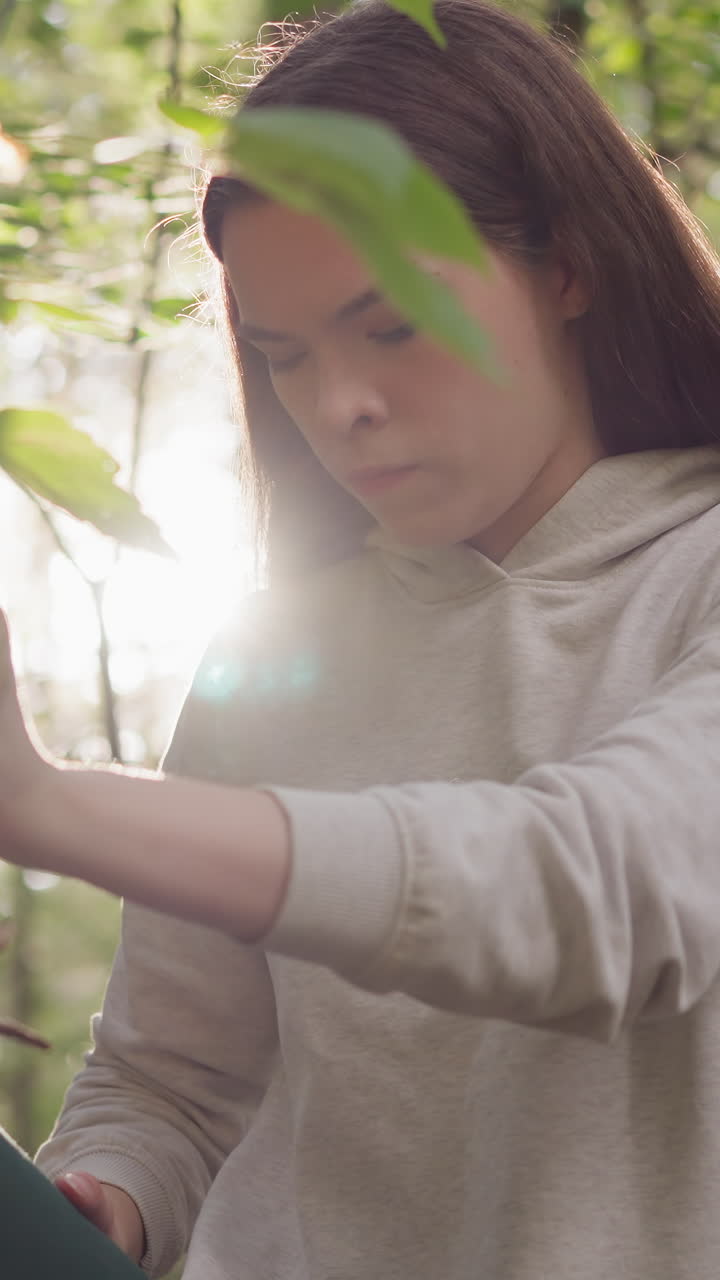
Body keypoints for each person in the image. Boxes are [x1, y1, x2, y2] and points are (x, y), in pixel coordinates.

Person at [2, 0, 720, 1275]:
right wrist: (112, 1195)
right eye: (284, 355)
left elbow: (597, 890)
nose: (341, 405)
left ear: (568, 264)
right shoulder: (271, 654)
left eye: (392, 325)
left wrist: (49, 806)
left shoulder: (694, 577)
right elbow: (169, 1081)